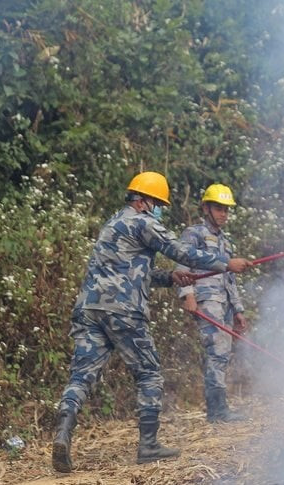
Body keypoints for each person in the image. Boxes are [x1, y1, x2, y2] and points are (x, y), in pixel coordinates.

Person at [52, 172, 251, 472]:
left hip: (90, 310)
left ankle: (63, 434)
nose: (160, 210)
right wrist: (226, 264)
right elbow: (180, 251)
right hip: (123, 311)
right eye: (158, 204)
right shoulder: (143, 222)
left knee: (81, 376)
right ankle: (148, 445)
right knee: (149, 374)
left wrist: (170, 277)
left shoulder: (112, 224)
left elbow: (131, 270)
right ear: (145, 202)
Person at [176, 183, 249, 423]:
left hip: (225, 303)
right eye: (219, 208)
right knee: (217, 350)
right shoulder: (193, 233)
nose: (223, 214)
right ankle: (217, 412)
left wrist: (238, 310)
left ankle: (218, 409)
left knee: (223, 352)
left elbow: (230, 278)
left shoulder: (226, 242)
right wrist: (188, 295)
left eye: (227, 210)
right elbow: (182, 266)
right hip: (207, 300)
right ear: (206, 207)